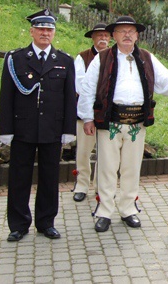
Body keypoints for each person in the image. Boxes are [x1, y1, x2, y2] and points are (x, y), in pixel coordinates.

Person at [78, 16, 168, 232]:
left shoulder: (147, 58)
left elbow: (165, 80)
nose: (127, 35)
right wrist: (87, 118)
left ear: (137, 36)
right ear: (114, 36)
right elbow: (88, 89)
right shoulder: (101, 59)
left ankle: (128, 209)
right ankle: (104, 211)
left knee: (131, 168)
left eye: (131, 31)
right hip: (109, 122)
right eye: (122, 31)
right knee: (107, 169)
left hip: (137, 122)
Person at [0, 8, 76, 241]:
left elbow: (69, 98)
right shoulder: (16, 59)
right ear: (31, 31)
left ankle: (46, 222)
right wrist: (6, 129)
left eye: (49, 29)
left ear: (54, 33)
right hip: (23, 128)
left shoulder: (64, 61)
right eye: (41, 29)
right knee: (19, 177)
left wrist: (68, 130)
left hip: (52, 129)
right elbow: (6, 96)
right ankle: (19, 224)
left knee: (50, 178)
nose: (45, 33)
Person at [72, 22, 111, 202]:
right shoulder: (82, 57)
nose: (103, 38)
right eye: (99, 35)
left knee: (105, 152)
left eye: (106, 35)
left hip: (107, 113)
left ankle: (99, 186)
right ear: (93, 38)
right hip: (87, 111)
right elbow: (80, 84)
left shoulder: (114, 57)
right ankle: (81, 184)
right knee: (84, 151)